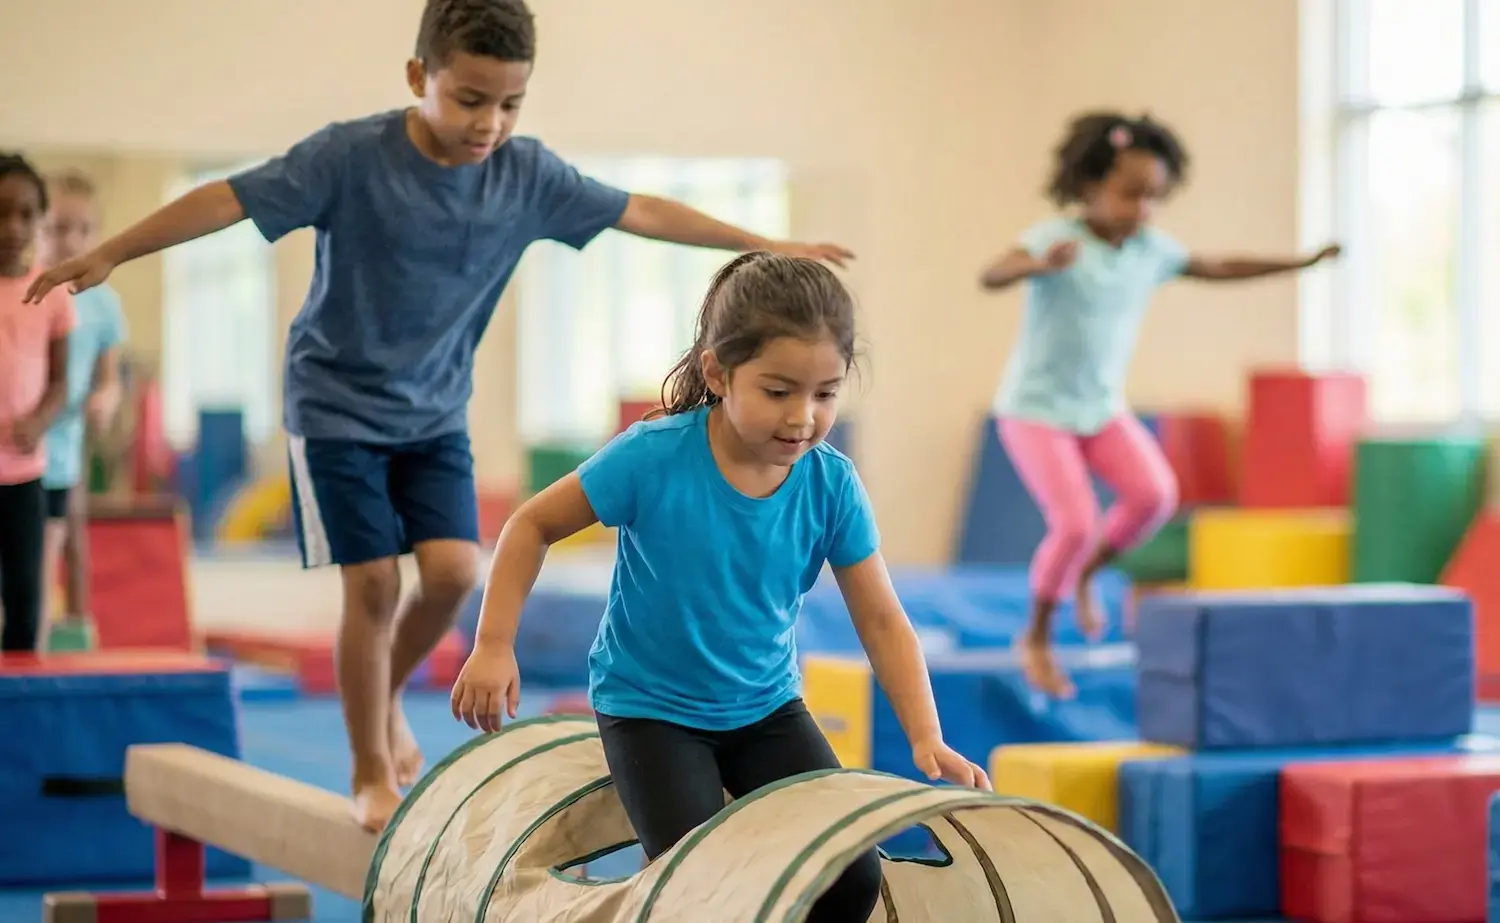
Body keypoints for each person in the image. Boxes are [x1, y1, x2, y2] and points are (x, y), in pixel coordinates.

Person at [25, 0, 853, 831]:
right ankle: (369, 765)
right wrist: (111, 250)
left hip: (433, 414)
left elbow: (640, 210)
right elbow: (228, 199)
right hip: (334, 407)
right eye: (469, 99)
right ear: (419, 77)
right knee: (376, 582)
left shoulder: (526, 176)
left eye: (510, 103)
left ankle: (378, 692)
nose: (489, 122)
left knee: (457, 572)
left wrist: (763, 243)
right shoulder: (351, 158)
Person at [452, 251, 991, 923]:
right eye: (777, 390)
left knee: (851, 876)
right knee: (701, 881)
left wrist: (926, 734)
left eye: (825, 393)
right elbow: (532, 524)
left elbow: (882, 619)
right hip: (651, 709)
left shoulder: (830, 485)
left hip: (765, 708)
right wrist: (494, 642)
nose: (802, 416)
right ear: (718, 372)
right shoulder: (653, 456)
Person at [978, 111, 1341, 699]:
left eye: (1152, 197)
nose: (1140, 209)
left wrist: (1299, 264)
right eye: (1128, 193)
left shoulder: (1152, 251)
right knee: (1074, 523)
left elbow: (1218, 267)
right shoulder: (1058, 237)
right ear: (1091, 184)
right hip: (1034, 410)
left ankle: (1086, 578)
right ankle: (1038, 638)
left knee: (1155, 496)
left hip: (1099, 411)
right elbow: (993, 273)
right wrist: (1036, 265)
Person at [37, 171, 128, 638]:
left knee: (71, 534)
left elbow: (108, 377)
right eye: (55, 228)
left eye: (81, 229)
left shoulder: (103, 302)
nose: (68, 240)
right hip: (23, 430)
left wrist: (104, 400)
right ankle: (26, 620)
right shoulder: (25, 290)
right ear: (39, 229)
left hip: (67, 434)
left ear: (96, 234)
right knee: (26, 538)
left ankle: (74, 626)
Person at [0, 153, 76, 653]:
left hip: (24, 475)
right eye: (1, 212)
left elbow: (61, 382)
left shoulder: (52, 292)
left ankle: (17, 721)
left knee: (26, 603)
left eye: (26, 214)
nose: (12, 226)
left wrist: (40, 421)